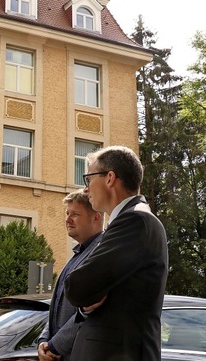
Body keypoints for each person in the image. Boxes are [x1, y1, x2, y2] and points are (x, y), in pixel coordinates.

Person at [64, 145, 168, 361]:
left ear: (110, 178)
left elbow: (77, 287)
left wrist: (86, 293)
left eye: (88, 179)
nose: (85, 189)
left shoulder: (134, 220)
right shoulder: (129, 221)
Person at [37, 190, 103, 361]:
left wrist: (55, 346)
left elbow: (89, 310)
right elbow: (56, 308)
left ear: (96, 217)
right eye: (67, 213)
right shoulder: (78, 255)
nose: (67, 219)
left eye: (75, 214)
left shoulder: (101, 253)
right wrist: (44, 340)